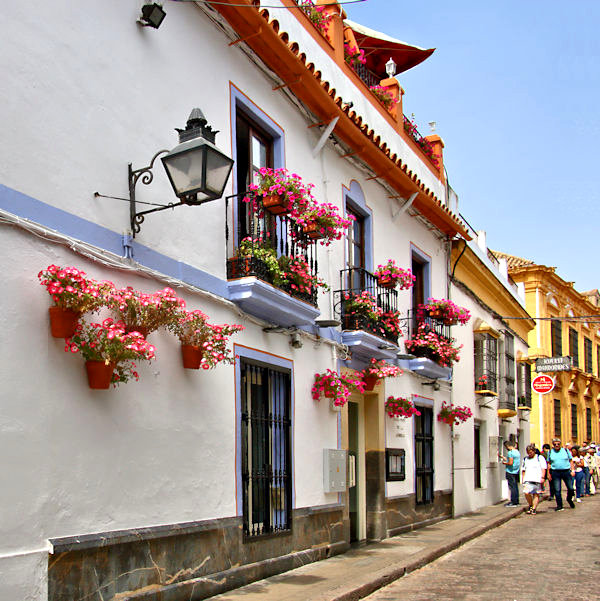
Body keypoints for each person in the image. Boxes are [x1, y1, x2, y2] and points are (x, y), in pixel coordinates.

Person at [547, 438, 575, 511]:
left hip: (566, 471)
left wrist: (572, 470)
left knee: (571, 488)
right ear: (553, 445)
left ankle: (569, 499)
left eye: (558, 444)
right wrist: (548, 474)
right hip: (555, 472)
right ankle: (559, 505)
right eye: (555, 444)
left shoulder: (565, 451)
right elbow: (549, 463)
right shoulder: (550, 452)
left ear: (560, 444)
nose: (557, 445)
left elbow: (571, 460)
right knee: (557, 489)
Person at [521, 444, 547, 514]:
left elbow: (543, 468)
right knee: (526, 493)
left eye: (531, 452)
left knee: (536, 494)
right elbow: (523, 470)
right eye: (528, 452)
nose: (530, 453)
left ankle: (534, 508)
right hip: (528, 478)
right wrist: (523, 479)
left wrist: (542, 477)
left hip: (537, 478)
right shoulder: (525, 459)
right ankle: (530, 505)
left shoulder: (539, 458)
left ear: (534, 451)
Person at [499, 440, 521, 506]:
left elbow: (510, 462)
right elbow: (512, 460)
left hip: (510, 471)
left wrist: (504, 463)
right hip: (516, 471)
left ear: (508, 446)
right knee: (515, 486)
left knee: (512, 487)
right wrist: (503, 457)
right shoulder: (517, 452)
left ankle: (513, 501)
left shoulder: (510, 453)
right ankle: (516, 500)